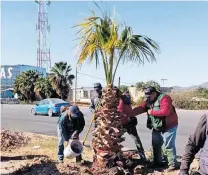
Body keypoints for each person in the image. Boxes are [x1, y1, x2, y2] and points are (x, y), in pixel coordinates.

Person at [132, 86, 178, 171]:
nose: (147, 98)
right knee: (156, 144)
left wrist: (151, 112)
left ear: (154, 93)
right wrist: (130, 113)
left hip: (169, 125)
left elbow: (166, 111)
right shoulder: (148, 99)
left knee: (168, 145)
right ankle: (157, 162)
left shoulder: (165, 98)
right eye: (146, 96)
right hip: (157, 126)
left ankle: (172, 164)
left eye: (149, 96)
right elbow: (142, 108)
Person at [117, 90, 147, 161]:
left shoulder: (122, 101)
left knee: (117, 140)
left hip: (125, 124)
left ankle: (142, 157)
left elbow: (121, 112)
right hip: (126, 123)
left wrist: (130, 118)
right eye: (128, 96)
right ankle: (142, 156)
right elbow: (124, 112)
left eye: (129, 96)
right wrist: (129, 117)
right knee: (136, 139)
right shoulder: (124, 100)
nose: (128, 97)